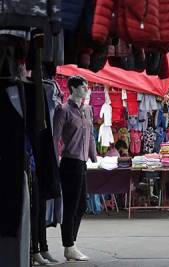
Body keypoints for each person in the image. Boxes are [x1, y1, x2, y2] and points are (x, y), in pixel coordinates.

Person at [53, 76, 97, 261]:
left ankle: (71, 243)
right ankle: (69, 246)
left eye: (86, 85)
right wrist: (54, 162)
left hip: (82, 163)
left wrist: (94, 156)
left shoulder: (87, 110)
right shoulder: (63, 110)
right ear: (72, 88)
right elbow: (55, 139)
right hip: (70, 163)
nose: (86, 88)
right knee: (71, 206)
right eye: (82, 85)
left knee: (82, 205)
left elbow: (91, 134)